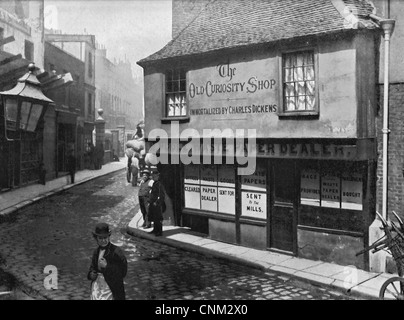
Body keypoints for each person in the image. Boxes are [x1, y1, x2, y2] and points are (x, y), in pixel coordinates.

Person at [87, 222, 128, 300]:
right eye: (100, 238)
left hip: (111, 287)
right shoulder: (96, 252)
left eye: (105, 238)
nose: (103, 240)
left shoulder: (116, 252)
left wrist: (107, 266)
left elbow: (123, 272)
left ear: (109, 237)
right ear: (96, 238)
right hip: (98, 286)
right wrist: (91, 274)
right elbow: (92, 267)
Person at [147, 169, 166, 236]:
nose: (153, 177)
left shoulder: (159, 184)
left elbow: (161, 195)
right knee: (154, 217)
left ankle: (159, 231)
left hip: (157, 204)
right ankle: (155, 230)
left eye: (155, 176)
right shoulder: (155, 183)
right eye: (153, 176)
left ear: (158, 177)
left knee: (158, 218)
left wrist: (157, 202)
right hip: (153, 203)